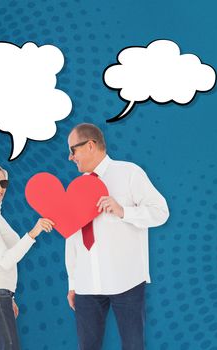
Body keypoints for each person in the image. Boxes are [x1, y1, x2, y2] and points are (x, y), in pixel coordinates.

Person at [65, 124, 169, 350]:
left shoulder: (129, 173)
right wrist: (73, 282)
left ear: (90, 145)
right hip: (87, 285)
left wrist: (124, 211)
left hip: (126, 282)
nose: (70, 157)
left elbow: (161, 212)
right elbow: (72, 237)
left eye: (73, 150)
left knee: (133, 346)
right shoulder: (77, 187)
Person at [0, 164, 54, 350]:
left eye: (3, 183)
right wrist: (34, 232)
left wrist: (9, 295)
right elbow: (5, 260)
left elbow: (2, 260)